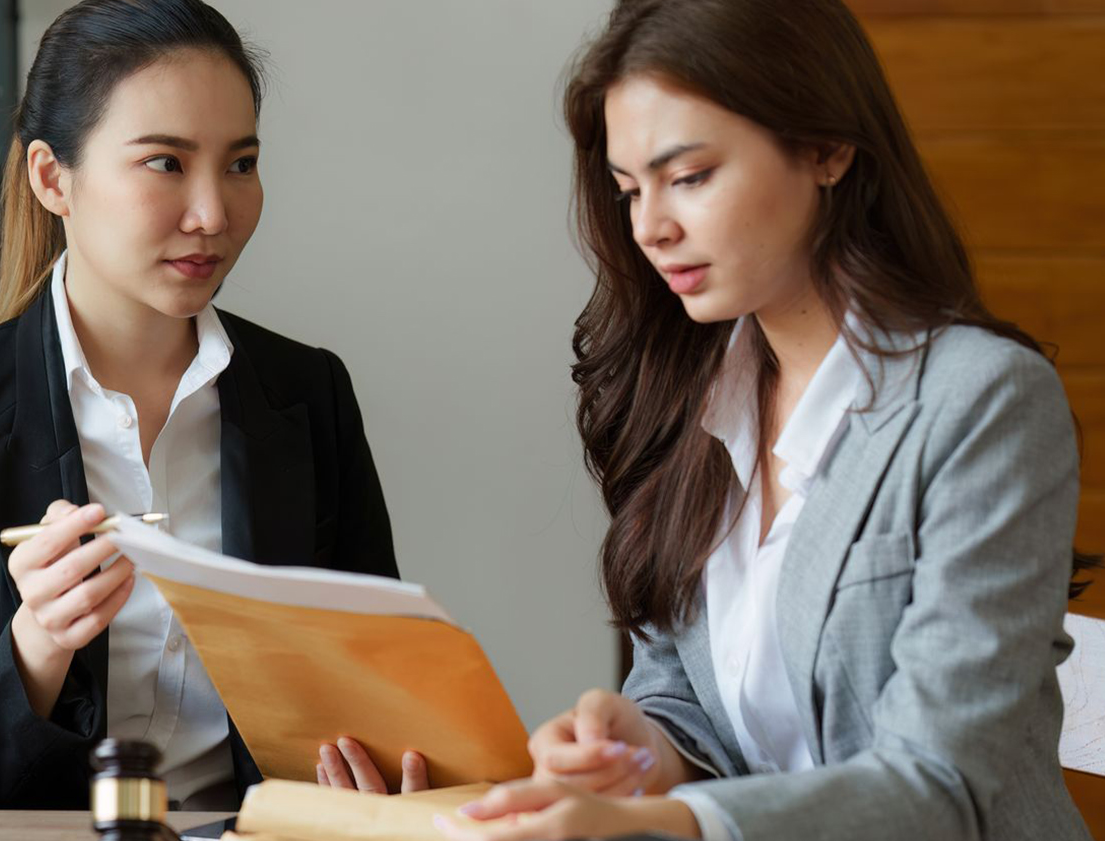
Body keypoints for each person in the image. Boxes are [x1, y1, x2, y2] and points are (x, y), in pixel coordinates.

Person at [438, 1, 1096, 839]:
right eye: (629, 190)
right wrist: (646, 747)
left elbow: (939, 784)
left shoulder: (982, 400)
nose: (650, 228)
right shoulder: (690, 396)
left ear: (826, 148)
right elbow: (682, 686)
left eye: (689, 176)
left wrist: (676, 818)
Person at [0, 0, 414, 811]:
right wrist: (38, 644)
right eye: (165, 163)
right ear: (53, 178)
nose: (213, 214)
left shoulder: (307, 393)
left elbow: (379, 699)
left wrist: (381, 763)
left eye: (241, 164)